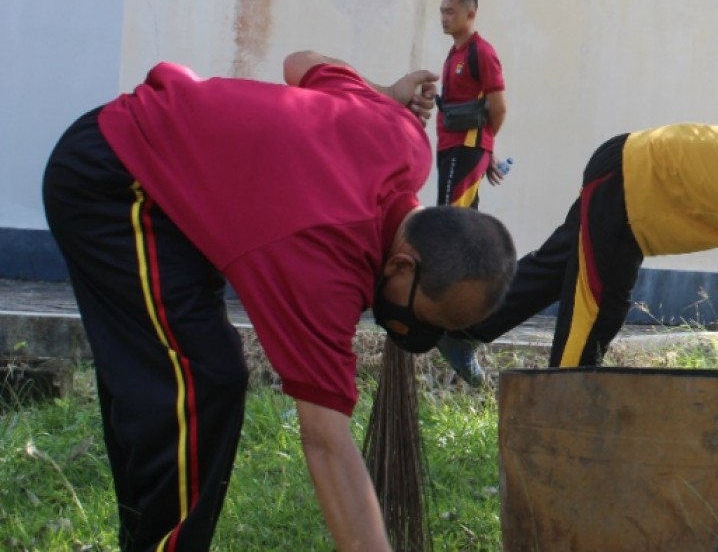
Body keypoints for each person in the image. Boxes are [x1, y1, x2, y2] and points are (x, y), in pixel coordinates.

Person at [42, 51, 517, 551]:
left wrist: (385, 92)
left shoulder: (401, 135)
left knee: (168, 375)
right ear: (402, 265)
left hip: (166, 186)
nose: (416, 331)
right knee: (198, 383)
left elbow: (300, 63)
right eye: (424, 316)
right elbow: (326, 443)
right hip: (116, 181)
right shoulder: (324, 266)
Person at [436, 123, 718, 382]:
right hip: (628, 192)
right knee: (598, 307)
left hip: (627, 158)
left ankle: (465, 329)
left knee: (556, 268)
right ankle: (559, 413)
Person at [436, 0, 508, 208]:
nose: (444, 18)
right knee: (458, 216)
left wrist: (484, 146)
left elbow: (499, 108)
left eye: (450, 12)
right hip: (448, 145)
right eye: (442, 11)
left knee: (450, 219)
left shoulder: (482, 52)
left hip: (465, 148)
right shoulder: (454, 53)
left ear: (470, 15)